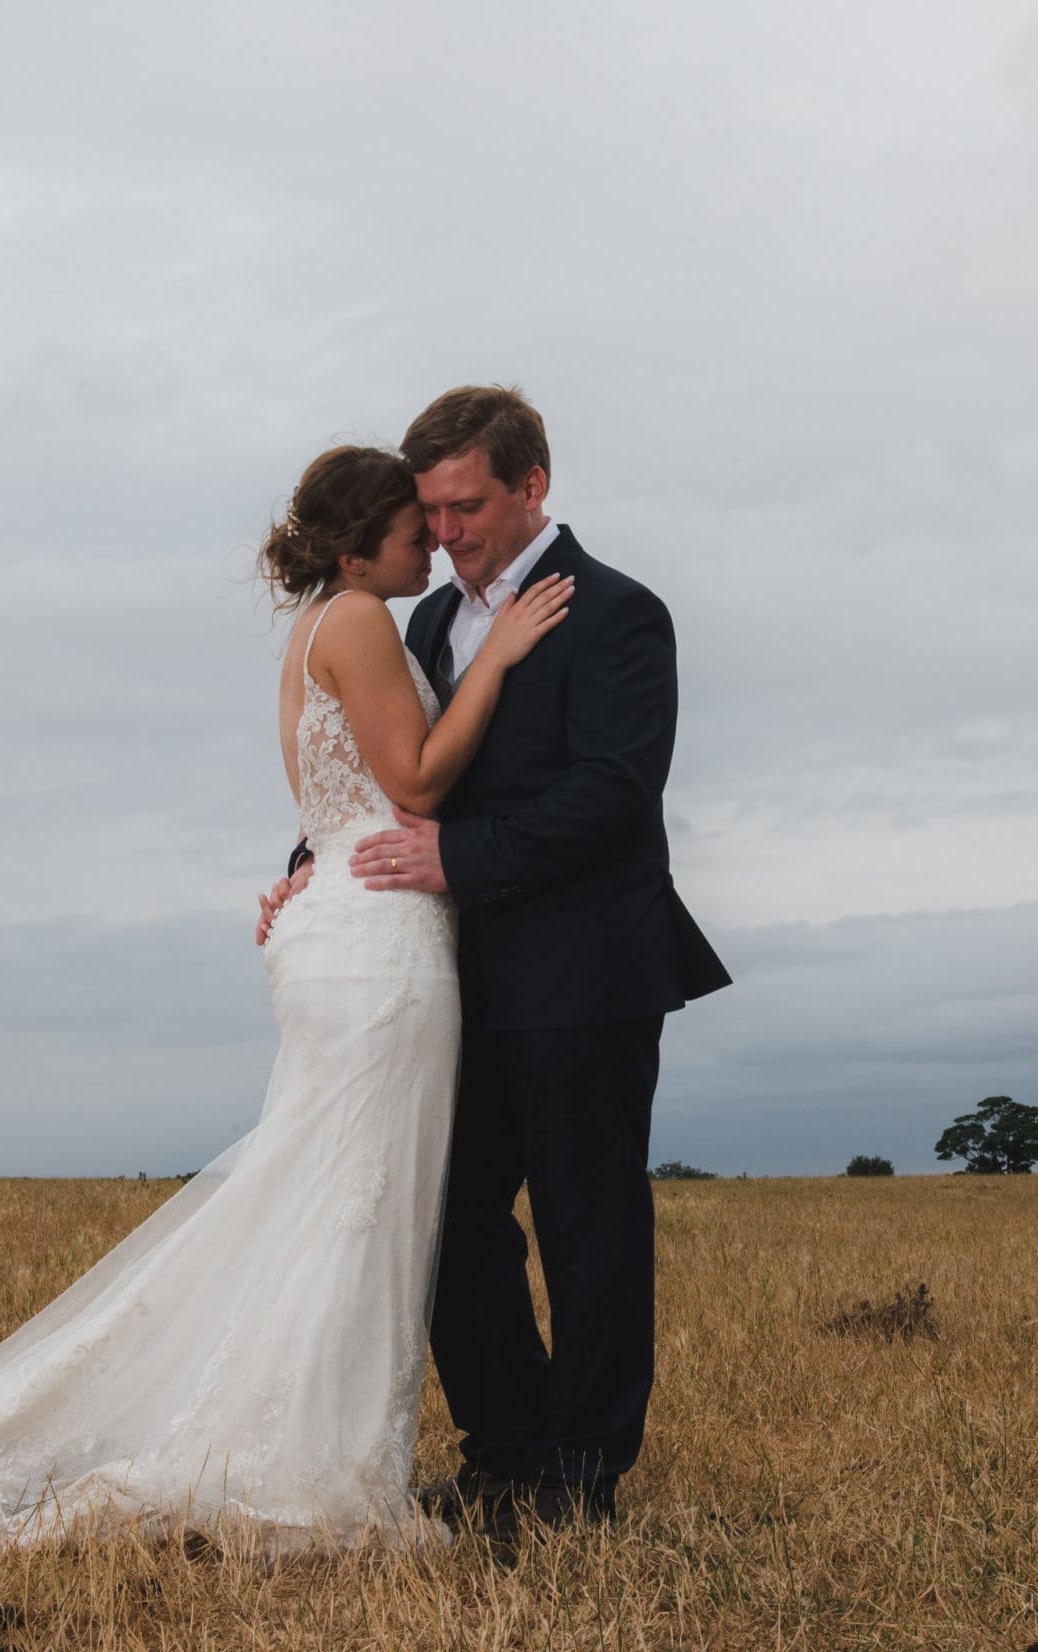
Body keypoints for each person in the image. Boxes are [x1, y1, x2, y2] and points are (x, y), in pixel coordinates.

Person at [0, 444, 571, 1554]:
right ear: (351, 547)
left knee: (338, 1197)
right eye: (408, 525)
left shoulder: (325, 626)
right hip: (376, 940)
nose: (429, 537)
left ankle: (302, 1444)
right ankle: (290, 1460)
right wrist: (501, 659)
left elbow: (354, 791)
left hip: (351, 914)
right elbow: (417, 780)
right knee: (352, 1201)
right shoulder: (363, 622)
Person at [260, 385, 731, 1535]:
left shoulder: (621, 612)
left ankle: (583, 1471)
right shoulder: (417, 623)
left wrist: (452, 859)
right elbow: (391, 763)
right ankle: (505, 1453)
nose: (449, 532)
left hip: (584, 968)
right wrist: (313, 859)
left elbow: (614, 791)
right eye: (430, 512)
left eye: (467, 506)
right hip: (444, 978)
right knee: (448, 1213)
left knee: (587, 1219)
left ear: (533, 487)